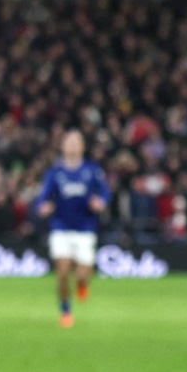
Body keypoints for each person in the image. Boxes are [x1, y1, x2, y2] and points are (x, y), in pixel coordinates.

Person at [35, 129, 110, 328]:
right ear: (63, 146)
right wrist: (43, 206)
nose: (72, 146)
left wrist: (100, 201)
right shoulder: (55, 172)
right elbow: (43, 196)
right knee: (62, 272)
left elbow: (105, 191)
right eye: (69, 142)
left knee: (83, 274)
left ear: (82, 147)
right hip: (61, 227)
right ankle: (66, 310)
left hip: (85, 228)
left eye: (76, 143)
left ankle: (83, 285)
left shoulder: (91, 170)